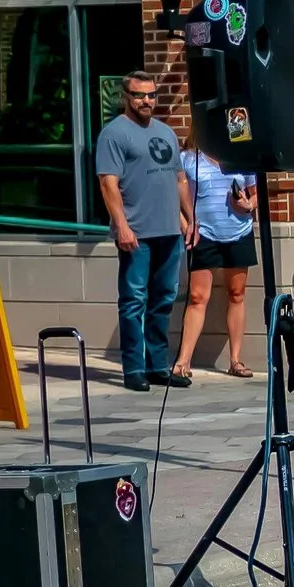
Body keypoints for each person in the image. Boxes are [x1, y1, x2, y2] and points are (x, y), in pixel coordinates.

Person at [93, 70, 195, 392]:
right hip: (137, 234)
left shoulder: (166, 133)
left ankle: (157, 365)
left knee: (164, 299)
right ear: (127, 97)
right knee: (134, 300)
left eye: (151, 95)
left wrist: (189, 218)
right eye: (139, 95)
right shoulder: (114, 134)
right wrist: (121, 226)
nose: (146, 100)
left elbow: (179, 180)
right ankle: (134, 369)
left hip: (169, 232)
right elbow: (108, 183)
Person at [175, 147, 258, 380]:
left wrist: (248, 205)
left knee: (237, 294)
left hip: (239, 232)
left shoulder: (242, 156)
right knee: (197, 297)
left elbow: (256, 193)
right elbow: (175, 194)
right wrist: (185, 225)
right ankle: (183, 361)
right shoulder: (188, 159)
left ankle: (235, 360)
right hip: (204, 235)